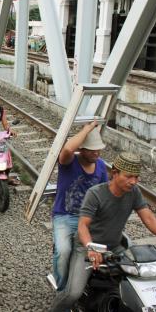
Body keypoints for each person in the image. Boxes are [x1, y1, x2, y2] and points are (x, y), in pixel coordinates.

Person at [49, 152, 156, 312]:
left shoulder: (134, 192)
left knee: (142, 277)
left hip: (115, 246)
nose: (133, 182)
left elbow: (148, 218)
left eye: (136, 177)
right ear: (114, 173)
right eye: (129, 176)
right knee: (73, 293)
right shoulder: (96, 193)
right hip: (87, 247)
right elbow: (82, 226)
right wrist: (91, 248)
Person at [51, 121, 108, 291]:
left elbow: (105, 194)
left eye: (98, 149)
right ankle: (62, 292)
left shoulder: (101, 166)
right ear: (82, 149)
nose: (96, 153)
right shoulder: (69, 162)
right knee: (63, 252)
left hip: (89, 218)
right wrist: (87, 129)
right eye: (92, 149)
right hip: (65, 216)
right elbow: (67, 149)